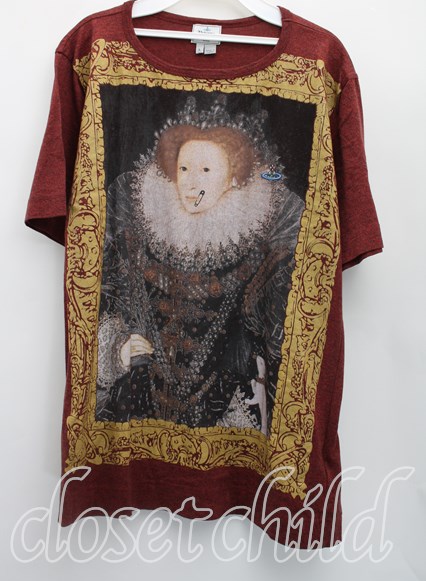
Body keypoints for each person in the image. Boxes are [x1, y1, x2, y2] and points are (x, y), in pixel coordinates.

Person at [95, 95, 305, 437]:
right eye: (184, 169)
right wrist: (118, 346)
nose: (192, 182)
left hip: (229, 408)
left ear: (233, 178)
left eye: (206, 170)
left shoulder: (263, 245)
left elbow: (282, 335)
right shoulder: (136, 233)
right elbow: (106, 296)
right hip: (141, 402)